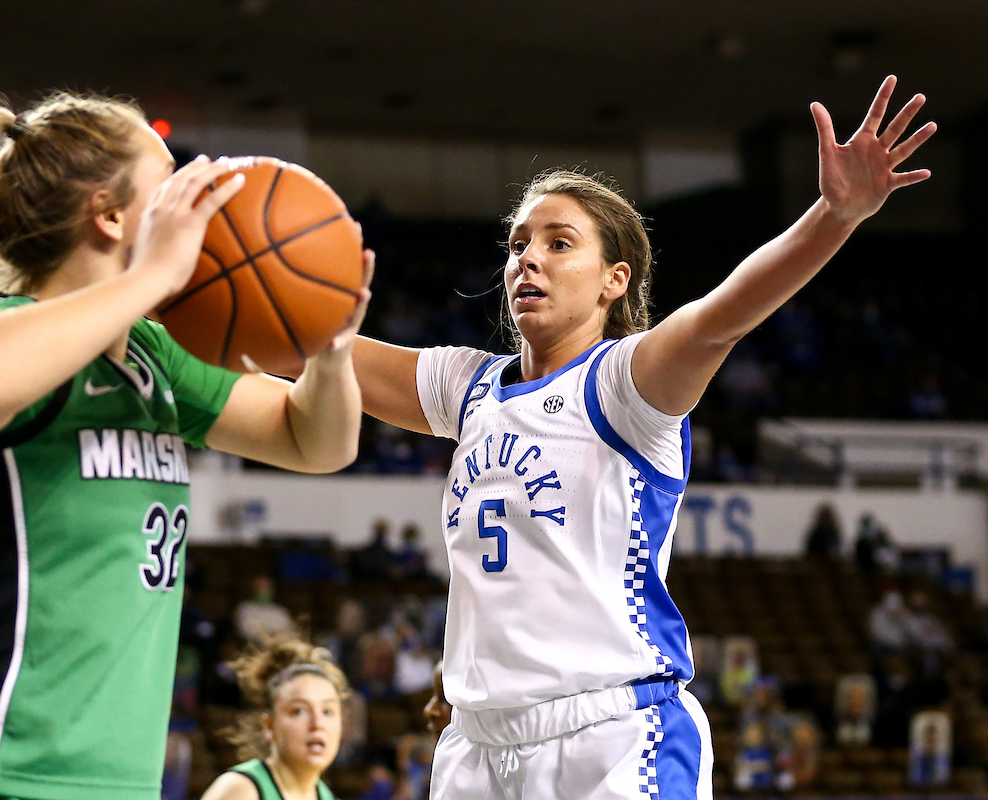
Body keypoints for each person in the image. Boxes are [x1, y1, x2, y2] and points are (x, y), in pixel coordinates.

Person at [345, 76, 935, 798]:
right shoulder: (468, 387)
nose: (527, 258)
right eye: (518, 244)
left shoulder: (625, 384)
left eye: (559, 244)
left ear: (613, 280)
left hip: (612, 738)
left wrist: (832, 217)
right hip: (476, 749)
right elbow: (321, 350)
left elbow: (724, 313)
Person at [0, 93, 368, 800]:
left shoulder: (153, 354)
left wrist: (328, 346)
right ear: (109, 215)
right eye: (169, 184)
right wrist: (154, 277)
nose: (193, 201)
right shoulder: (2, 329)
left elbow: (317, 444)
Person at [200, 636, 347, 800]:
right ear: (269, 725)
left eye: (327, 712)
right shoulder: (241, 790)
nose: (318, 724)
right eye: (299, 711)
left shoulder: (328, 797)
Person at [235, 576, 297, 644]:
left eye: (266, 587)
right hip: (254, 648)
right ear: (253, 590)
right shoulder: (245, 608)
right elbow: (246, 632)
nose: (263, 591)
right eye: (260, 587)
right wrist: (266, 638)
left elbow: (290, 630)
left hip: (280, 646)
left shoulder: (280, 610)